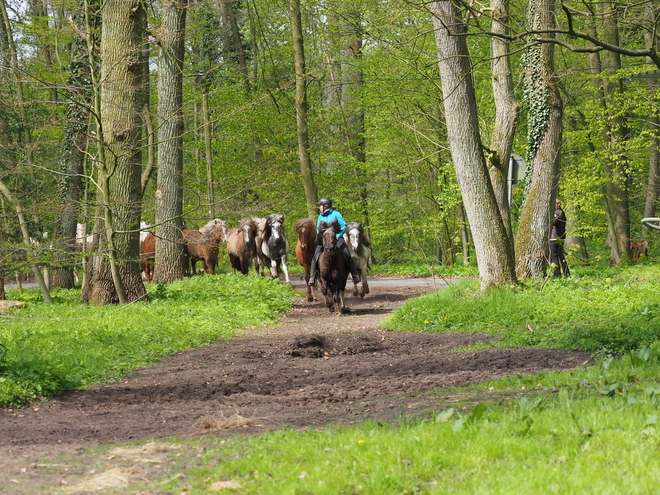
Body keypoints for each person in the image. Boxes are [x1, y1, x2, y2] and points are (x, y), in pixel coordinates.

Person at [308, 198, 360, 286]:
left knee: (346, 253)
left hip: (336, 237)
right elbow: (318, 228)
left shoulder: (336, 214)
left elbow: (344, 226)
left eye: (321, 206)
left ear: (326, 206)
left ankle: (354, 275)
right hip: (324, 238)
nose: (319, 207)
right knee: (315, 255)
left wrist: (338, 236)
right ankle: (312, 277)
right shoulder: (320, 216)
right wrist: (320, 237)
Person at [550, 199, 570, 276]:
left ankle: (556, 274)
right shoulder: (561, 212)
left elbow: (553, 222)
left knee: (554, 256)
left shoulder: (556, 212)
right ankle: (566, 273)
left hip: (555, 237)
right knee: (561, 255)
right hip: (561, 237)